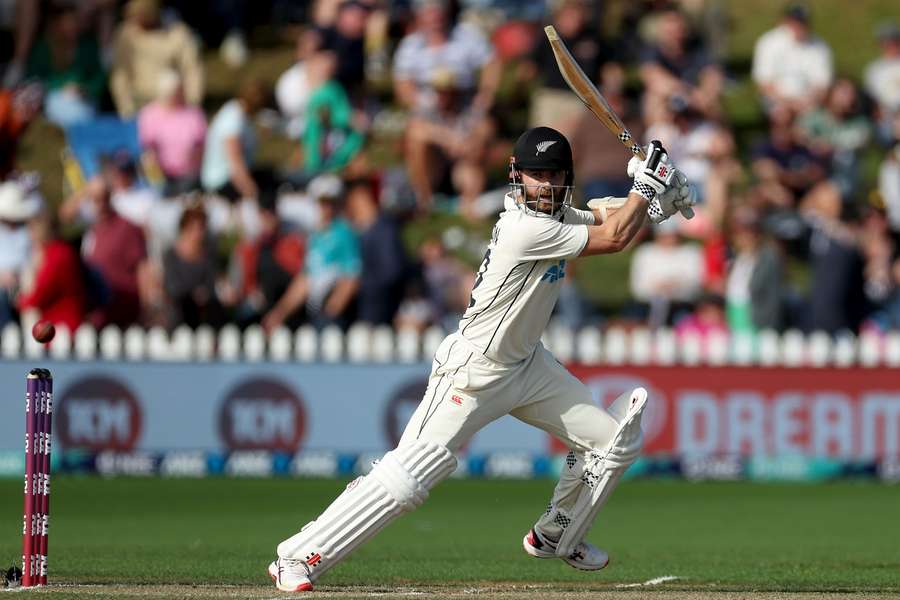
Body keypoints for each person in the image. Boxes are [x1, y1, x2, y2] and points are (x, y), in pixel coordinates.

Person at [266, 128, 695, 592]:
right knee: (408, 478)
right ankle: (297, 556)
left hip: (528, 367)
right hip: (473, 372)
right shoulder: (523, 227)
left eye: (553, 175)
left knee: (615, 442)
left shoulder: (556, 213)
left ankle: (557, 533)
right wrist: (646, 190)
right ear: (517, 176)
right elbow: (612, 237)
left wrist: (659, 197)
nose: (545, 185)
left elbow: (608, 216)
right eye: (536, 175)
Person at [109, 0, 204, 117]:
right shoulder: (125, 34)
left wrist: (192, 105)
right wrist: (126, 110)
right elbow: (120, 77)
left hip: (173, 105)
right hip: (139, 104)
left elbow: (192, 71)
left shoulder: (178, 33)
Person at [751, 4, 833, 114]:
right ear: (786, 21)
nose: (799, 27)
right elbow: (764, 83)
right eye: (795, 22)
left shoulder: (820, 46)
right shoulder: (768, 42)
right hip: (776, 101)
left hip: (808, 102)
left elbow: (822, 85)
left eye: (802, 22)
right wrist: (788, 103)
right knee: (781, 114)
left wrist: (807, 102)